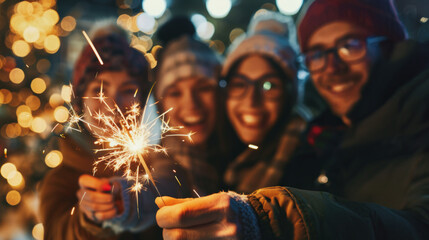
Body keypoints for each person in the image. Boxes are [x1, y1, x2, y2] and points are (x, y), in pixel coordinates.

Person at [155, 0, 429, 239]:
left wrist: (271, 220)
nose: (332, 67)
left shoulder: (311, 153)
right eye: (318, 54)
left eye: (349, 45)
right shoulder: (332, 133)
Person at [39, 29, 179, 239]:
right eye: (99, 91)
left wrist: (130, 200)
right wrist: (88, 219)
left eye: (127, 90)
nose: (113, 105)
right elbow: (59, 232)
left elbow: (166, 185)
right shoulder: (59, 182)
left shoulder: (158, 159)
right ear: (80, 100)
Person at [221, 11, 316, 193]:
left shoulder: (310, 163)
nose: (251, 101)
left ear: (291, 94)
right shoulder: (222, 152)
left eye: (269, 85)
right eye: (239, 84)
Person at [154, 16, 231, 195]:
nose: (191, 104)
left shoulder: (244, 151)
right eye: (175, 93)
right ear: (162, 103)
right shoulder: (162, 160)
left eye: (203, 88)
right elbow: (158, 185)